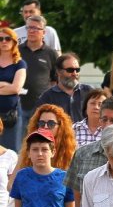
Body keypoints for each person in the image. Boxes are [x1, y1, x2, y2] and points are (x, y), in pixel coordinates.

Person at [16, 15, 58, 147]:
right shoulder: (16, 51)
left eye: (35, 28)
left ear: (43, 32)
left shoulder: (51, 53)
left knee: (39, 143)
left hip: (41, 107)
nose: (31, 31)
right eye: (29, 28)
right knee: (19, 145)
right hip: (18, 105)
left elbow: (55, 80)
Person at [18, 104, 76, 171]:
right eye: (42, 123)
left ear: (60, 126)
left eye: (51, 124)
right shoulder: (27, 149)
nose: (45, 127)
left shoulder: (70, 152)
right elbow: (15, 176)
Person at [37, 53, 92, 122]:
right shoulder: (47, 98)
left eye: (77, 70)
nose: (75, 73)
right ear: (59, 72)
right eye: (70, 70)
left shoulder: (89, 92)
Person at [0, 28, 27, 150]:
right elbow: (12, 87)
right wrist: (6, 85)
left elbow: (16, 88)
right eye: (0, 39)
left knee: (11, 151)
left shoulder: (20, 63)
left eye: (7, 39)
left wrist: (10, 87)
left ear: (14, 42)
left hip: (11, 114)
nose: (4, 41)